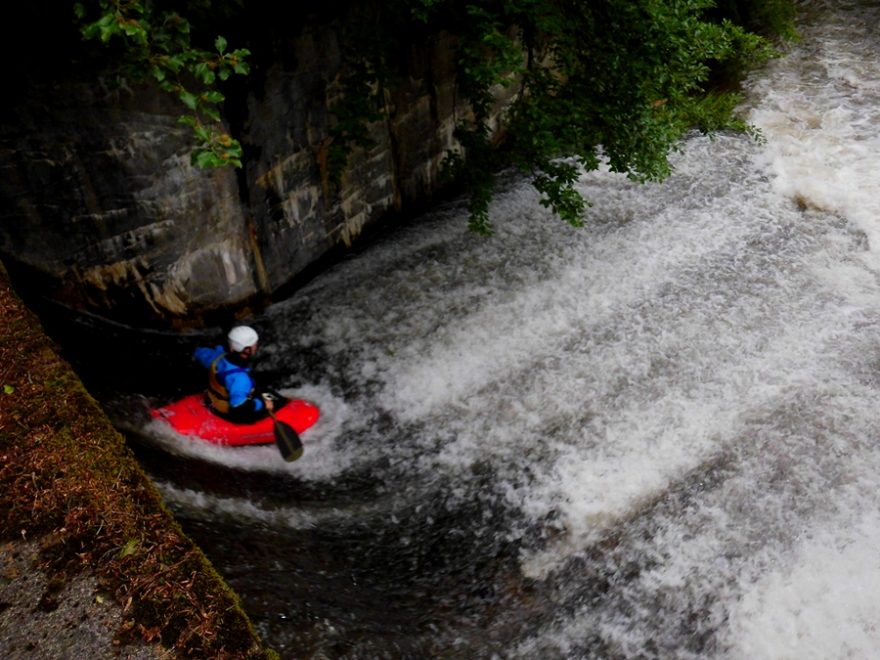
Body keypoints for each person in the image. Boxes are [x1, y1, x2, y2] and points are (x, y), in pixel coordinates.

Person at [194, 325, 282, 424]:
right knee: (276, 401)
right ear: (247, 349)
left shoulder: (218, 356)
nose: (256, 345)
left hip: (212, 399)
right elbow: (238, 407)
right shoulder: (241, 378)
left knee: (263, 389)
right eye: (254, 344)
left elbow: (199, 353)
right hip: (230, 411)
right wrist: (262, 404)